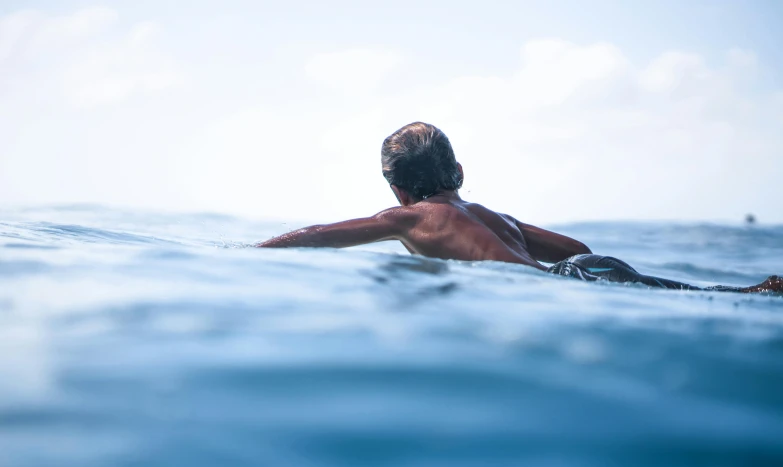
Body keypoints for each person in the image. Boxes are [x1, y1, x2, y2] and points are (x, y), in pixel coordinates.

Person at [256, 122, 782, 294]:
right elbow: (579, 250)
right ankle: (759, 289)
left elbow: (321, 234)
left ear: (395, 191)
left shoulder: (409, 219)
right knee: (701, 292)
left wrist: (253, 248)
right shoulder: (491, 215)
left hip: (564, 282)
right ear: (459, 175)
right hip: (586, 271)